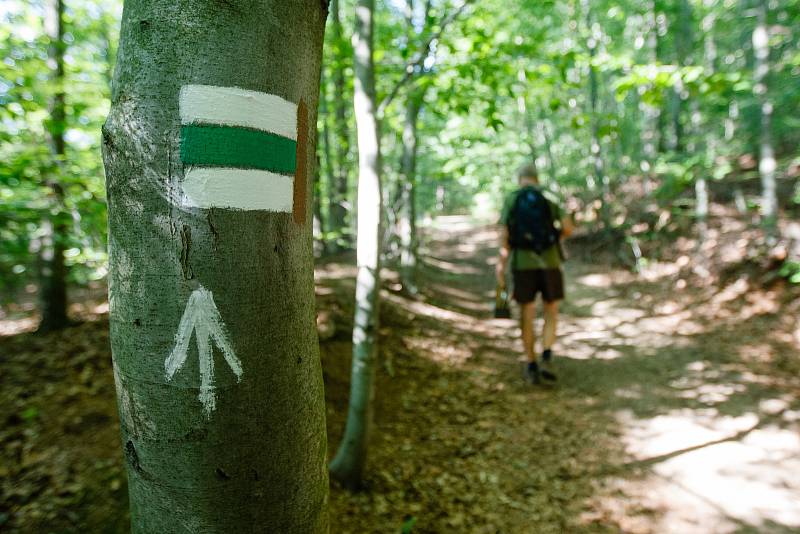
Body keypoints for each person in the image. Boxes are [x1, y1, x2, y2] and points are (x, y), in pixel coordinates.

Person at [496, 164, 574, 385]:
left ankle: (531, 363)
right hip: (550, 262)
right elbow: (568, 228)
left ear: (520, 178)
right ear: (537, 178)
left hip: (522, 264)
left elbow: (505, 235)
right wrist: (553, 240)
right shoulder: (549, 196)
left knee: (526, 312)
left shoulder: (512, 199)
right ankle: (547, 353)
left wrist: (501, 264)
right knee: (551, 309)